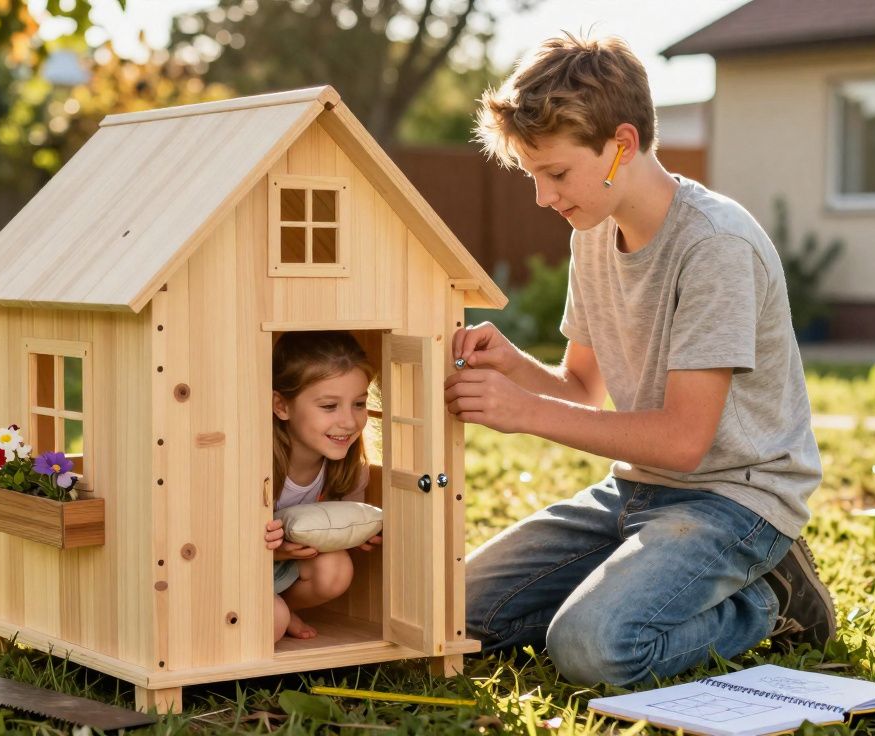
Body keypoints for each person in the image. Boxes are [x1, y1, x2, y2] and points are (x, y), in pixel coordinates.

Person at [443, 34, 835, 686]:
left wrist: (523, 413)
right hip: (633, 492)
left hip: (736, 503)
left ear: (621, 143)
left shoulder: (714, 246)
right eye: (533, 175)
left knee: (591, 650)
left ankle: (769, 602)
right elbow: (579, 389)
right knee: (449, 611)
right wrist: (515, 366)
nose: (543, 198)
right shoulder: (593, 236)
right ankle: (628, 589)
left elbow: (684, 442)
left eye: (556, 173)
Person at [265, 330, 381, 642]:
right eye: (329, 406)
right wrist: (273, 554)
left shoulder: (351, 471)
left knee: (336, 571)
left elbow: (335, 535)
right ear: (282, 405)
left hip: (283, 572)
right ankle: (278, 614)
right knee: (271, 623)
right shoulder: (257, 463)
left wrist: (353, 536)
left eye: (359, 403)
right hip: (235, 571)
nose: (349, 421)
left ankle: (284, 608)